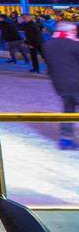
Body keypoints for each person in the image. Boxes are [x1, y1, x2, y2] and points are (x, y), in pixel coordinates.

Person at [43, 21, 79, 150]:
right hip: (76, 83)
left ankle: (66, 139)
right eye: (74, 31)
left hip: (60, 85)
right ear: (70, 31)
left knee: (68, 111)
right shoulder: (74, 45)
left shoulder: (48, 45)